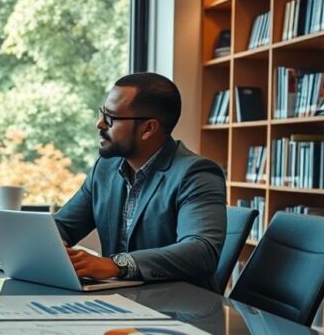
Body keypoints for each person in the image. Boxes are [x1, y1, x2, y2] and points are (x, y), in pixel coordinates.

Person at [53, 72, 226, 291]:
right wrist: (53, 245)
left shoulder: (195, 174)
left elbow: (201, 250)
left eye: (111, 118)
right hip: (120, 301)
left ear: (148, 129)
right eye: (102, 114)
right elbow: (64, 225)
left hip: (180, 308)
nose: (100, 124)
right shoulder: (105, 169)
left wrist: (117, 265)